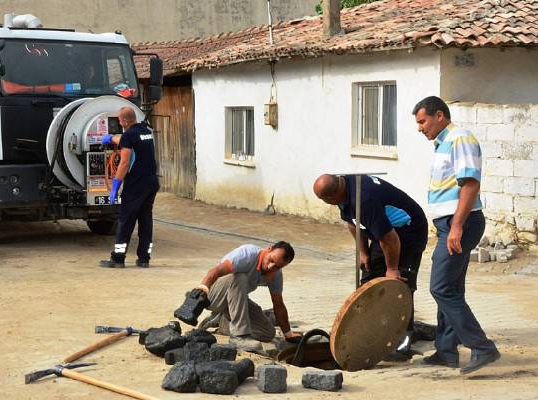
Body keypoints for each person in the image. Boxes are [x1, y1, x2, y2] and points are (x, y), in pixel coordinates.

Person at [413, 96, 500, 374]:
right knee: (450, 288)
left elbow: (471, 185)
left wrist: (457, 227)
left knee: (440, 287)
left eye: (422, 121)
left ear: (440, 115)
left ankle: (482, 347)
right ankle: (446, 351)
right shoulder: (443, 143)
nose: (420, 128)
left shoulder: (460, 138)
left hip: (460, 223)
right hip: (449, 224)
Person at [313, 173, 428, 361]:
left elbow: (390, 239)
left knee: (400, 285)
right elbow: (353, 223)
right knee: (368, 280)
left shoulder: (365, 199)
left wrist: (392, 269)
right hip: (385, 232)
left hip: (408, 230)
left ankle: (402, 341)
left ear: (331, 196)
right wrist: (363, 252)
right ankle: (373, 331)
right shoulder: (345, 190)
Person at [191, 242, 300, 352]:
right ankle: (239, 336)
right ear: (269, 249)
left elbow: (278, 304)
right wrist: (202, 290)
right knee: (240, 277)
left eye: (277, 266)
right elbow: (215, 271)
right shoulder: (247, 254)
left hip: (235, 300)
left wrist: (288, 334)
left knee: (268, 333)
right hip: (213, 296)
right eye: (271, 260)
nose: (271, 266)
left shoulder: (275, 274)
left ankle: (224, 323)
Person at [98, 107, 160, 268]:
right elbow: (127, 139)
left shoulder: (129, 135)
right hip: (151, 182)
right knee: (146, 220)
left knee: (126, 220)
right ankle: (144, 258)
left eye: (119, 120)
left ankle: (118, 258)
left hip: (136, 184)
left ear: (125, 121)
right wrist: (111, 139)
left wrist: (115, 186)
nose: (118, 122)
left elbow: (124, 163)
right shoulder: (145, 131)